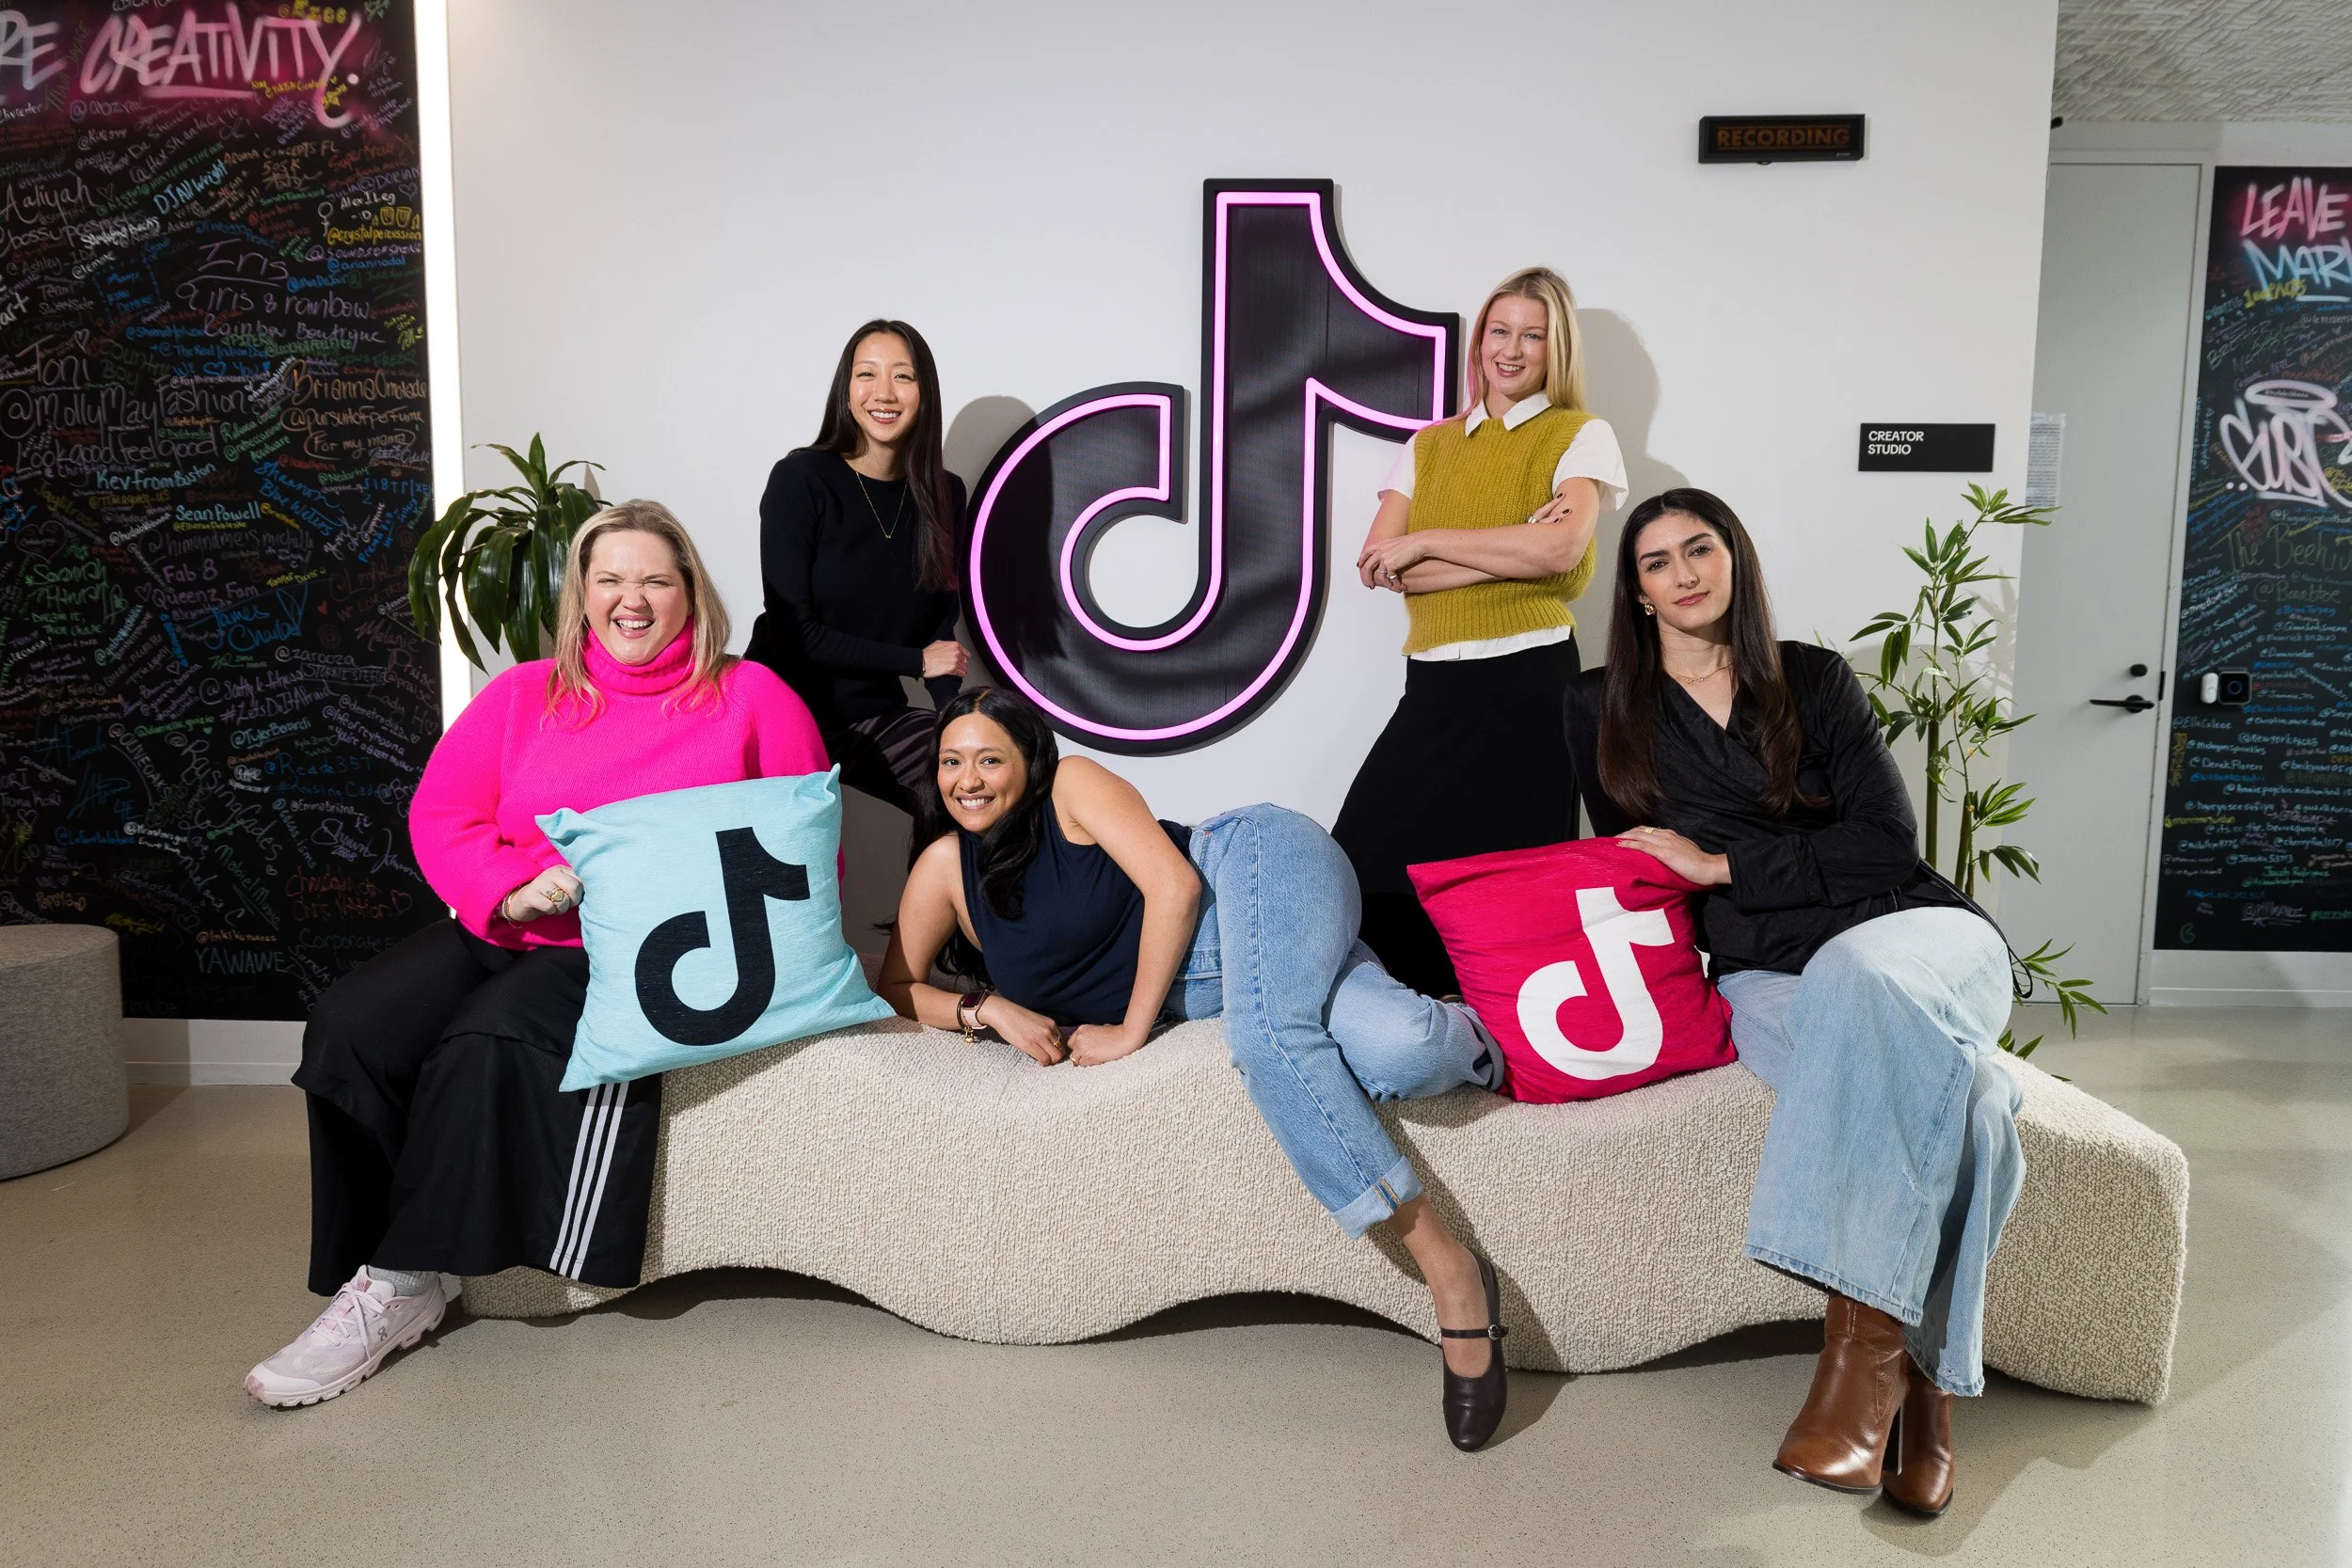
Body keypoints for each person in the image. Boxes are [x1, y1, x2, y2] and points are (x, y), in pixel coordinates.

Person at [246, 501, 831, 1408]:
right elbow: (445, 816)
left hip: (635, 954)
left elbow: (805, 846)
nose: (630, 600)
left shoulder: (752, 696)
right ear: (581, 596)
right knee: (349, 1028)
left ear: (690, 593)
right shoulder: (524, 694)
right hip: (511, 923)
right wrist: (507, 889)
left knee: (486, 1043)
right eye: (609, 580)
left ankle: (401, 1283)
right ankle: (374, 1255)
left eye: (654, 580)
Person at [876, 688, 1516, 1450]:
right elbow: (895, 985)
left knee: (1267, 1036)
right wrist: (988, 1009)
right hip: (1264, 964)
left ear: (1029, 762)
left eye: (989, 758)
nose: (967, 779)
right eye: (952, 761)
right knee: (1404, 1049)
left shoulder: (1072, 788)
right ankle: (1471, 1028)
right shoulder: (947, 867)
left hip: (1258, 865)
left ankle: (1450, 1273)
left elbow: (1175, 887)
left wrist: (1131, 1029)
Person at [1563, 487, 2020, 1518]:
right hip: (1765, 970)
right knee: (1978, 1101)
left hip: (1913, 935)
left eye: (1700, 548)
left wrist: (1722, 862)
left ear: (1735, 558)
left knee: (1861, 976)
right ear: (1634, 594)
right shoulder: (1597, 707)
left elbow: (1886, 847)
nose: (1683, 573)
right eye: (1656, 562)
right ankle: (1932, 1393)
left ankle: (1858, 1353)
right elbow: (1632, 868)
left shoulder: (1811, 676)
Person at [1333, 266, 1627, 996]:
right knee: (1365, 858)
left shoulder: (1578, 434)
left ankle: (1496, 1028)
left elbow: (1562, 554)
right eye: (1501, 331)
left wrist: (1431, 540)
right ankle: (1401, 1007)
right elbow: (1382, 564)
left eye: (1534, 335)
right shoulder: (1429, 445)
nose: (1513, 349)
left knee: (1513, 882)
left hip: (1530, 680)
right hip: (1434, 678)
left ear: (1556, 350)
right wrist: (1507, 550)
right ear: (1479, 341)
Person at [745, 318, 971, 816]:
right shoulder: (801, 479)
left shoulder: (944, 493)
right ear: (846, 389)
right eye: (867, 374)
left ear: (924, 392)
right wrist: (913, 661)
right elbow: (795, 634)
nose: (883, 393)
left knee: (975, 787)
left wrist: (959, 728)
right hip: (780, 710)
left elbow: (939, 631)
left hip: (871, 713)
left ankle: (940, 896)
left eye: (903, 377)